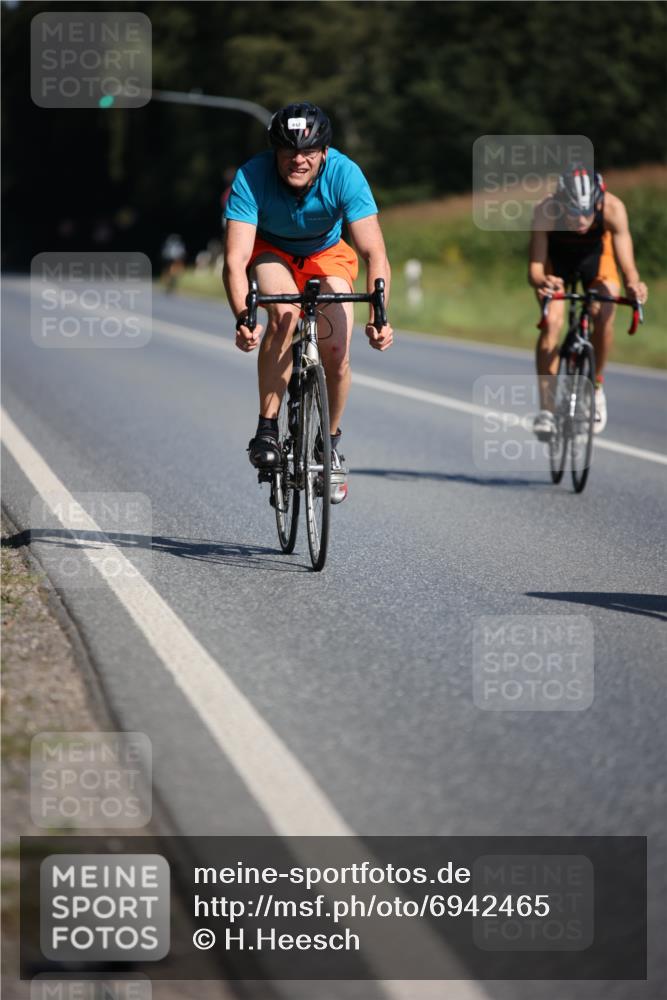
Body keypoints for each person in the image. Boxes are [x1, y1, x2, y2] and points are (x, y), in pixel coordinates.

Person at [222, 102, 393, 504]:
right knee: (283, 315)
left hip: (327, 253)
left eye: (308, 153)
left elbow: (374, 253)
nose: (298, 161)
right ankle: (267, 427)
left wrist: (380, 315)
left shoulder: (345, 173)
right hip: (272, 252)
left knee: (337, 349)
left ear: (324, 152)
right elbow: (234, 259)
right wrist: (243, 317)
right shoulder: (252, 175)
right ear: (274, 152)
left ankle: (328, 446)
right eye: (288, 152)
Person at [528, 163, 648, 438]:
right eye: (573, 212)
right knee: (552, 323)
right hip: (555, 264)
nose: (581, 220)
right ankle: (547, 409)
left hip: (596, 260)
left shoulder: (613, 209)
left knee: (605, 312)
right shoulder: (545, 211)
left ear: (597, 202)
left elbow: (627, 265)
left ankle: (594, 386)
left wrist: (633, 285)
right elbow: (534, 269)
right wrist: (543, 282)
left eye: (587, 212)